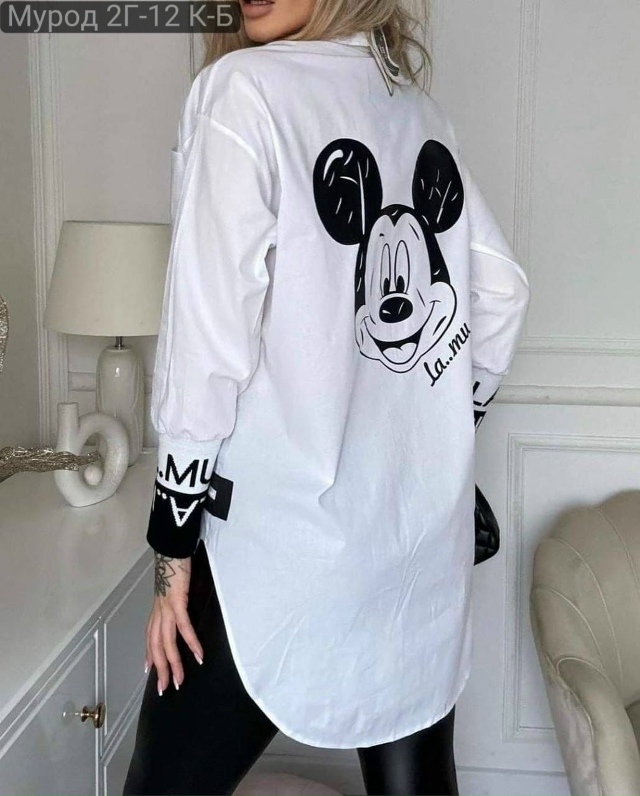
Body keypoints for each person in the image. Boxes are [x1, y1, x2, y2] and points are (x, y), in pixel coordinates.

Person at [123, 0, 531, 794]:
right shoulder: (415, 111)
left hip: (282, 554)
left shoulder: (243, 91)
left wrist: (172, 554)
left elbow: (206, 347)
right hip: (415, 553)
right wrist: (446, 420)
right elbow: (504, 294)